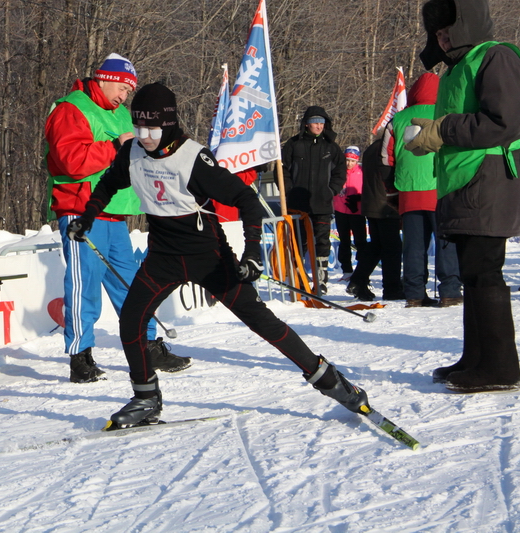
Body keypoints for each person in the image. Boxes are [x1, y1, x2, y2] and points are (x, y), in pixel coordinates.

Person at [67, 82, 370, 428]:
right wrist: (87, 217)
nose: (144, 136)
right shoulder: (133, 151)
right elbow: (108, 183)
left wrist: (253, 253)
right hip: (163, 257)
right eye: (138, 128)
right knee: (131, 319)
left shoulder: (194, 159)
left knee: (261, 321)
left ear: (167, 125)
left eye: (151, 129)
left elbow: (247, 201)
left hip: (208, 258)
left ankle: (330, 380)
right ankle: (146, 398)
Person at [406, 0, 520, 392]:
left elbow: (504, 122)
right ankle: (477, 358)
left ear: (467, 24)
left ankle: (500, 368)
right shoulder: (457, 68)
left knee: (485, 272)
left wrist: (443, 130)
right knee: (473, 274)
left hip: (490, 179)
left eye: (447, 31)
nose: (442, 39)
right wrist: (432, 135)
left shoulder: (497, 55)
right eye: (437, 34)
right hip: (464, 182)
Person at [45, 54, 190, 382]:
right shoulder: (72, 108)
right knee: (84, 288)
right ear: (105, 78)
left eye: (130, 90)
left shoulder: (123, 115)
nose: (126, 96)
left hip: (116, 214)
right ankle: (80, 356)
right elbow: (69, 160)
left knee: (135, 286)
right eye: (124, 88)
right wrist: (114, 146)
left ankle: (149, 345)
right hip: (82, 212)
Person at [381, 73, 462, 308]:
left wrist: (392, 194)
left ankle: (415, 293)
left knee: (414, 246)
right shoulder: (446, 115)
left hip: (408, 191)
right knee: (447, 242)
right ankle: (450, 290)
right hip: (441, 189)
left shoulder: (397, 119)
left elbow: (386, 159)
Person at [281, 106, 346, 294]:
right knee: (298, 242)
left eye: (322, 123)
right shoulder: (293, 144)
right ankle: (299, 279)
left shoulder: (331, 147)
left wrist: (331, 190)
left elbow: (340, 172)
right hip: (297, 204)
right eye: (315, 122)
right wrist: (288, 190)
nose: (319, 126)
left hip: (322, 203)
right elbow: (282, 169)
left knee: (322, 242)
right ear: (307, 124)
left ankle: (321, 279)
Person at [345, 138, 404, 301]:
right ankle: (391, 288)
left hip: (372, 202)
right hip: (385, 202)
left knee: (377, 246)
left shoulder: (373, 147)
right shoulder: (390, 146)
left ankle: (357, 281)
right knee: (392, 248)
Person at [332, 146, 366, 282]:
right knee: (344, 241)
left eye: (352, 161)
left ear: (357, 161)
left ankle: (362, 269)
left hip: (357, 211)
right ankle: (346, 270)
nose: (349, 163)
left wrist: (360, 198)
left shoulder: (362, 172)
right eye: (347, 160)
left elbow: (367, 190)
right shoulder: (338, 171)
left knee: (360, 241)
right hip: (341, 210)